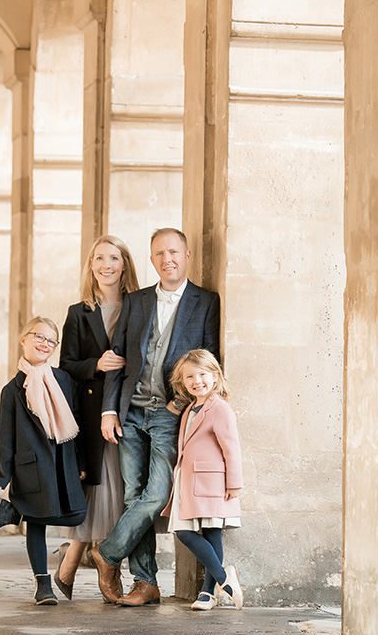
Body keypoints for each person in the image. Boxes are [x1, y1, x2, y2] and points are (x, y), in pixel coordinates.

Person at [91, 228, 221, 606]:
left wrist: (179, 404)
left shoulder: (205, 301)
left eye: (174, 252)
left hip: (169, 413)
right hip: (130, 411)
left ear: (187, 254)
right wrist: (109, 409)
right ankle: (145, 582)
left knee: (157, 494)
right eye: (160, 253)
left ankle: (109, 551)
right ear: (151, 260)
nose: (168, 259)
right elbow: (118, 358)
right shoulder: (137, 301)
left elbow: (208, 360)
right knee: (134, 495)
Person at [55, 235, 139, 600]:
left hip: (130, 407)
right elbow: (67, 366)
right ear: (91, 266)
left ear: (125, 265)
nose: (106, 265)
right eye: (99, 258)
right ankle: (106, 572)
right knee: (103, 487)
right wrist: (97, 365)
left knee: (122, 490)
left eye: (114, 258)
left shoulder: (140, 305)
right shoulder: (79, 311)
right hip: (92, 413)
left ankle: (77, 561)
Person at [0, 316, 88, 606]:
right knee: (38, 521)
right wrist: (0, 476)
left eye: (51, 340)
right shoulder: (12, 391)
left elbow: (78, 421)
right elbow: (5, 436)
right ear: (24, 339)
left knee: (77, 514)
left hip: (63, 458)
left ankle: (14, 509)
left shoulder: (64, 380)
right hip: (31, 463)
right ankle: (43, 586)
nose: (45, 343)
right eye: (38, 337)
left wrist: (82, 462)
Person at [161, 349, 244, 611]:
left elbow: (231, 447)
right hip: (189, 480)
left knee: (211, 533)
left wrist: (234, 482)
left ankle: (208, 592)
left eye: (202, 374)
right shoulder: (189, 409)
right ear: (182, 382)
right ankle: (224, 577)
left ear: (215, 376)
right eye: (189, 377)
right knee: (185, 531)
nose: (197, 381)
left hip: (212, 482)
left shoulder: (219, 408)